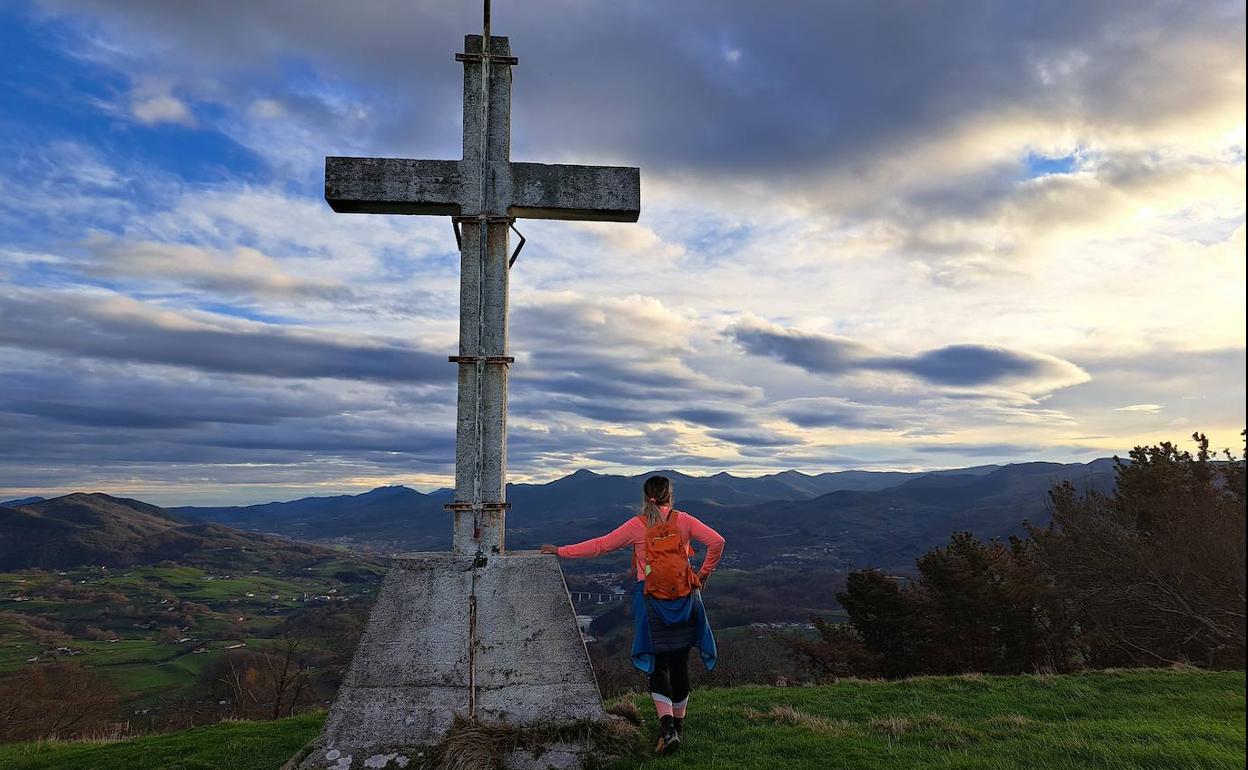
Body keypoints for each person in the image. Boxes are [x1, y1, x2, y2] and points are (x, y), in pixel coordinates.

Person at [541, 474, 725, 755]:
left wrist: (562, 551)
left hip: (651, 601)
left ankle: (667, 729)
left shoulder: (638, 526)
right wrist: (703, 574)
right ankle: (678, 728)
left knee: (657, 665)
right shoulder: (684, 521)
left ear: (646, 497)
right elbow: (717, 542)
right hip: (685, 600)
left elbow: (601, 545)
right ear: (670, 496)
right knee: (679, 665)